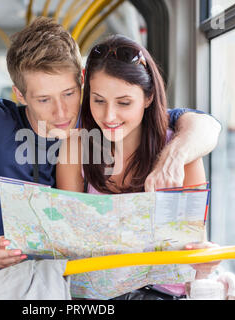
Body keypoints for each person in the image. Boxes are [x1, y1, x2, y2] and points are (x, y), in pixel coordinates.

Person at [0, 0, 221, 296]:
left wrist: (174, 155)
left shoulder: (104, 122)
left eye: (69, 95)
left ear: (82, 82)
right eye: (43, 99)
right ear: (20, 94)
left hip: (60, 287)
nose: (61, 113)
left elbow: (197, 124)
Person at [56, 34, 220, 300]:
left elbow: (193, 242)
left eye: (124, 103)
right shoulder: (76, 148)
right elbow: (67, 240)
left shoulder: (182, 151)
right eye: (98, 100)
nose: (109, 116)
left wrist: (203, 258)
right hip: (96, 298)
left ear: (148, 98)